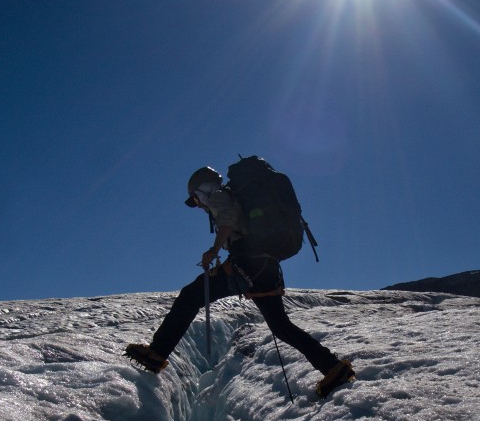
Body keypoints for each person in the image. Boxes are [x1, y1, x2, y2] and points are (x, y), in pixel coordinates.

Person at [125, 166, 355, 397]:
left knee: (190, 296)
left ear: (203, 189)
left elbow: (226, 221)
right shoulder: (236, 198)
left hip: (247, 265)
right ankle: (333, 368)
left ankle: (156, 354)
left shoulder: (219, 196)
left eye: (196, 197)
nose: (198, 204)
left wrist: (214, 251)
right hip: (265, 268)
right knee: (281, 327)